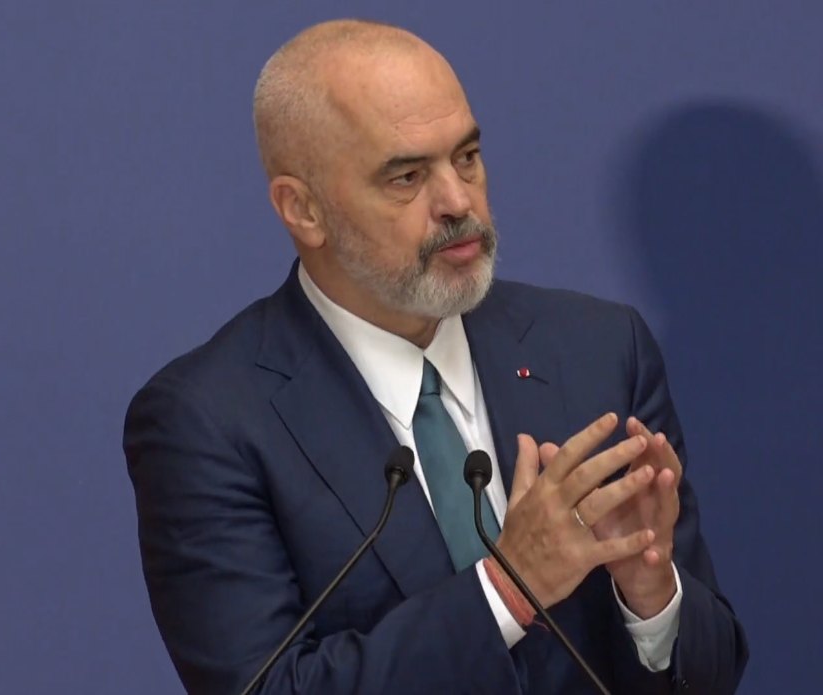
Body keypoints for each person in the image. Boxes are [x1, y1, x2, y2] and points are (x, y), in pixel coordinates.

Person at [122, 18, 748, 695]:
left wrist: (650, 597)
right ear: (302, 210)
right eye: (406, 176)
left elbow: (710, 675)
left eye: (467, 157)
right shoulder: (208, 421)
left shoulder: (599, 350)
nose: (457, 201)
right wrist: (506, 589)